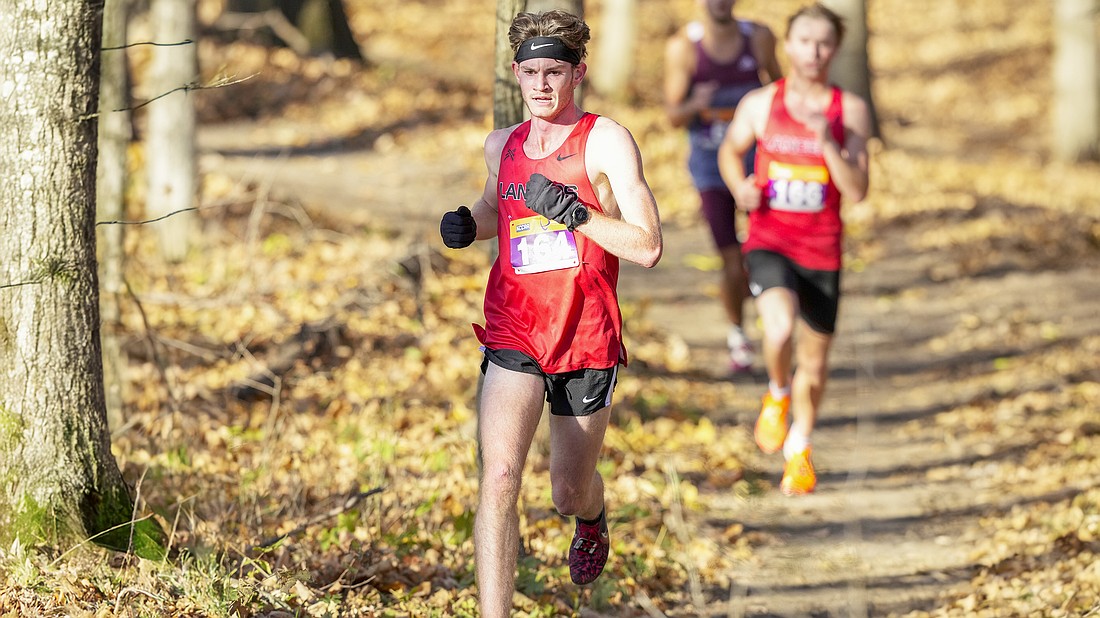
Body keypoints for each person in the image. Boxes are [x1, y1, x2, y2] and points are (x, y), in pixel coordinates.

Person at [438, 9, 662, 616]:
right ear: (515, 73)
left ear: (577, 74)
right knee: (501, 476)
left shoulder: (605, 139)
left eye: (553, 72)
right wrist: (470, 225)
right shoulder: (501, 145)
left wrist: (577, 214)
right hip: (514, 329)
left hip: (584, 334)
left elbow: (647, 246)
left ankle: (592, 516)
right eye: (530, 72)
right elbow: (497, 209)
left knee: (567, 490)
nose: (540, 84)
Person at [717, 3, 870, 495]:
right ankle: (778, 394)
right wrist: (740, 186)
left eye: (824, 42)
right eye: (804, 41)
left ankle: (799, 448)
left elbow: (859, 189)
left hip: (822, 250)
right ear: (788, 45)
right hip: (770, 241)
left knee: (817, 366)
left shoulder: (851, 110)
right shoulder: (762, 103)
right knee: (778, 330)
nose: (814, 51)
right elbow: (729, 150)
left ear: (835, 49)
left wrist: (828, 143)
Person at [664, 0, 781, 374]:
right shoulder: (683, 47)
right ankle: (738, 336)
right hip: (710, 168)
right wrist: (695, 104)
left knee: (767, 251)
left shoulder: (759, 38)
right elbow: (672, 115)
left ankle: (779, 329)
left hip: (759, 164)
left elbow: (783, 94)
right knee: (732, 259)